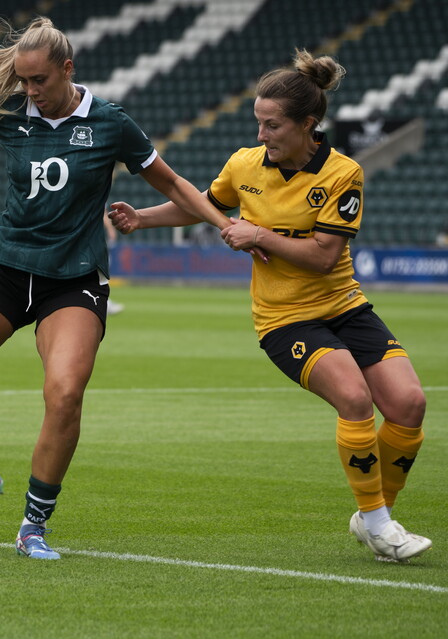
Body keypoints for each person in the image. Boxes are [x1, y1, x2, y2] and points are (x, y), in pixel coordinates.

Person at [0, 17, 234, 559]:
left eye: (40, 81)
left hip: (74, 279)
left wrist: (225, 226)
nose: (31, 92)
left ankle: (33, 524)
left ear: (67, 69)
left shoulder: (109, 122)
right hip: (7, 267)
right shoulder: (7, 111)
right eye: (24, 81)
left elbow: (171, 182)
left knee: (65, 393)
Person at [108, 49, 431, 563]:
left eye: (273, 126)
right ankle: (381, 526)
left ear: (308, 124)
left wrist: (259, 233)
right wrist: (141, 218)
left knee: (410, 404)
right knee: (354, 400)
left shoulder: (344, 174)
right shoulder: (244, 164)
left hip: (345, 306)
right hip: (284, 320)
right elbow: (204, 205)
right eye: (258, 123)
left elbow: (324, 258)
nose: (262, 135)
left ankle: (375, 515)